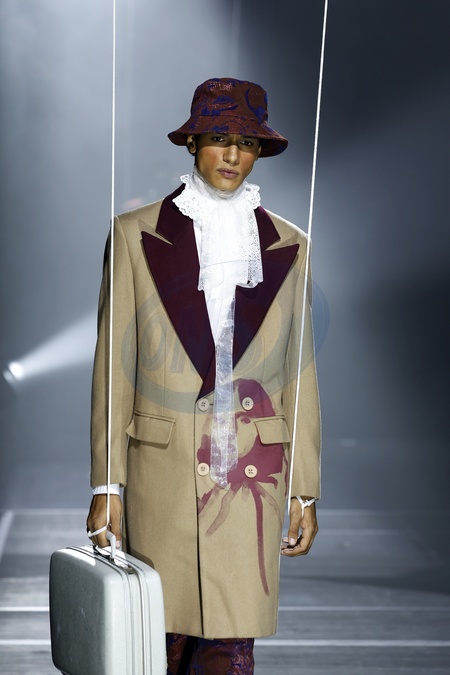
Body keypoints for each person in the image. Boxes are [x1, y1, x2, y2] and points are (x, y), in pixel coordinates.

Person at [87, 77, 321, 675]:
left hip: (251, 480)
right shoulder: (134, 234)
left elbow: (299, 376)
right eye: (219, 138)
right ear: (192, 142)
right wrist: (106, 485)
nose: (233, 155)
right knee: (155, 647)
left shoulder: (290, 244)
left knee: (230, 651)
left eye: (247, 142)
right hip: (161, 474)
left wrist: (304, 489)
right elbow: (113, 368)